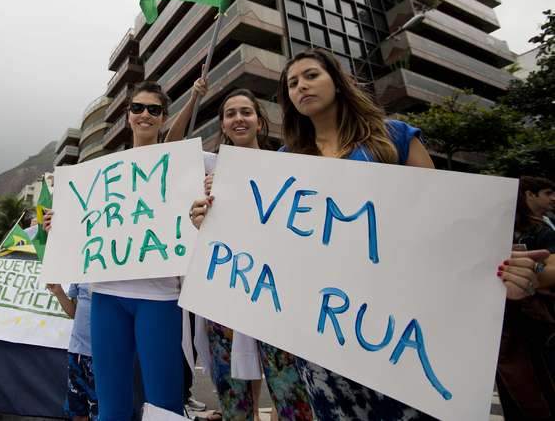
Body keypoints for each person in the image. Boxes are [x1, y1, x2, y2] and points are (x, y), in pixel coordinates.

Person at [191, 48, 547, 420]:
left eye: (311, 75)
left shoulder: (392, 138)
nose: (302, 86)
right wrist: (215, 225)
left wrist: (501, 266)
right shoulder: (285, 162)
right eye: (293, 83)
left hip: (397, 337)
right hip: (320, 337)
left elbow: (442, 225)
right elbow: (267, 244)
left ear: (338, 83)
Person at [45, 81, 185, 421]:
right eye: (137, 108)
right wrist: (59, 224)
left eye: (154, 109)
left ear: (164, 119)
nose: (145, 114)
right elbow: (85, 221)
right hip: (106, 293)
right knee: (110, 406)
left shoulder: (182, 164)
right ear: (128, 116)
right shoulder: (105, 173)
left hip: (159, 295)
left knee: (165, 405)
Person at [188, 89, 313, 421]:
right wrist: (199, 217)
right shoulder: (205, 174)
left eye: (246, 112)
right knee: (235, 403)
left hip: (275, 297)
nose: (238, 118)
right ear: (223, 126)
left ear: (260, 121)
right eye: (231, 114)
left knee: (292, 398)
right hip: (224, 297)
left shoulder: (286, 167)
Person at [496, 176, 555, 420]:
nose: (553, 199)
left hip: (535, 330)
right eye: (548, 192)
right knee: (516, 397)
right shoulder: (492, 233)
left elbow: (550, 266)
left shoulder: (540, 230)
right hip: (502, 336)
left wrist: (533, 276)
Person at [46, 283, 98, 421]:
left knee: (101, 411)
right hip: (77, 352)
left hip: (104, 356)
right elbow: (74, 312)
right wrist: (59, 292)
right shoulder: (80, 268)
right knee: (77, 411)